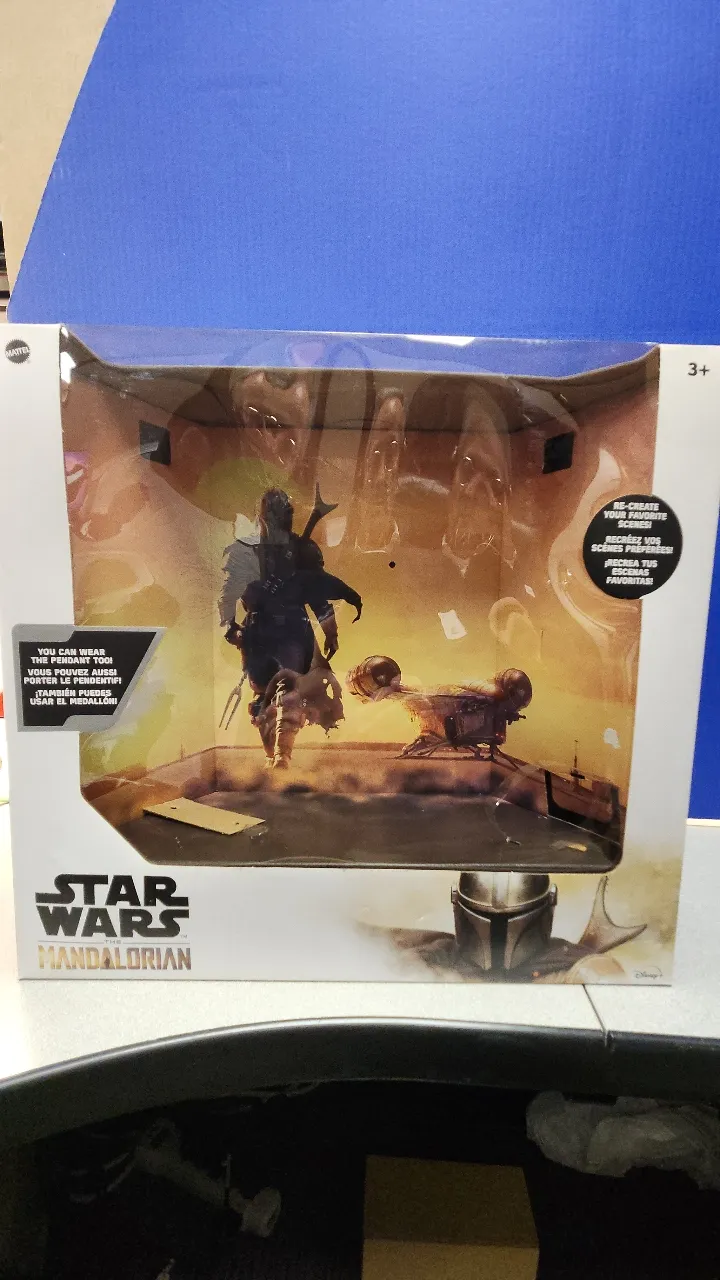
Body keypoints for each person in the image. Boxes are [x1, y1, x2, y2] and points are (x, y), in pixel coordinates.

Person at [219, 487, 361, 767]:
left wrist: (330, 631)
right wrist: (230, 627)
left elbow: (316, 594)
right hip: (259, 630)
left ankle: (281, 754)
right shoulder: (245, 552)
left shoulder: (300, 551)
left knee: (288, 689)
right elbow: (228, 593)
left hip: (291, 631)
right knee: (264, 693)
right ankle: (274, 754)